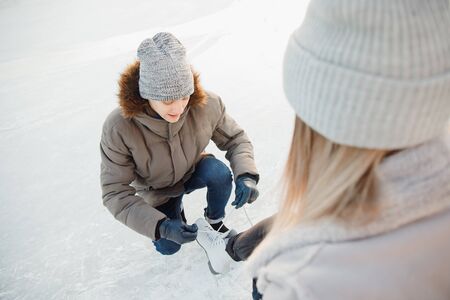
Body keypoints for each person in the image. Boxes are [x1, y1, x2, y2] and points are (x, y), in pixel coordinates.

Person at [199, 0, 450, 298]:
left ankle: (231, 248)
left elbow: (236, 139)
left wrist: (246, 174)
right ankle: (232, 247)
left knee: (303, 215)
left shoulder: (300, 280)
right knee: (300, 214)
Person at [99, 32, 260, 267]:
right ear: (147, 94)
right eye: (167, 101)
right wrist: (160, 225)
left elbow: (236, 139)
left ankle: (213, 221)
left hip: (191, 170)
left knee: (219, 173)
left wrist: (247, 175)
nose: (178, 108)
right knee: (168, 247)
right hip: (155, 190)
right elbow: (115, 192)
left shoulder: (207, 105)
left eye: (184, 96)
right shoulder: (119, 127)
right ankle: (172, 211)